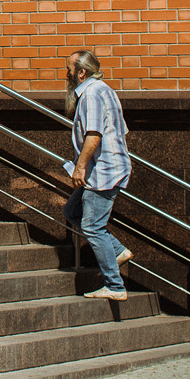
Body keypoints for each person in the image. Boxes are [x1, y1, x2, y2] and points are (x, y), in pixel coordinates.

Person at [64, 47, 135, 301]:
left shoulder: (92, 94)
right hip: (106, 167)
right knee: (72, 212)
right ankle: (116, 250)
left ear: (81, 73)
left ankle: (115, 286)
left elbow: (93, 135)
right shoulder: (106, 90)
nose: (67, 75)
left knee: (93, 227)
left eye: (69, 70)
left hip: (100, 171)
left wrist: (81, 167)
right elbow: (121, 130)